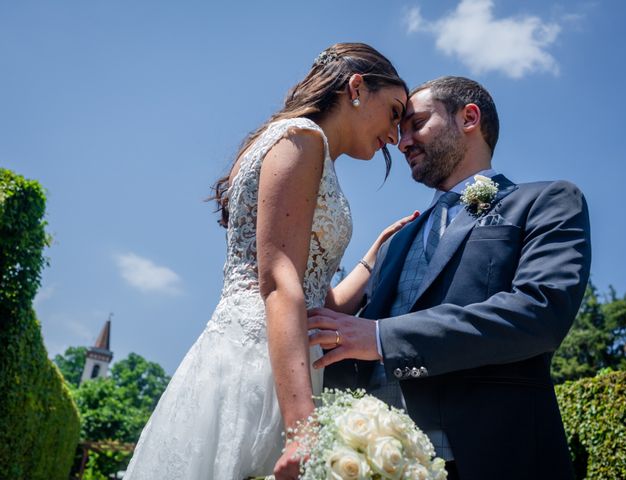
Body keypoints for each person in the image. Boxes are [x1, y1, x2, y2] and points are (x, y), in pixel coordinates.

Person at [123, 43, 412, 479]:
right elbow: (278, 282)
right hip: (261, 368)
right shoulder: (302, 139)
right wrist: (301, 429)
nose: (396, 135)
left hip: (285, 353)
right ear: (356, 88)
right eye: (393, 112)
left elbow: (321, 306)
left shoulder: (298, 145)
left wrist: (376, 254)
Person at [309, 76, 591, 480]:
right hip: (377, 461)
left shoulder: (546, 202)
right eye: (400, 129)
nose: (401, 141)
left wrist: (380, 338)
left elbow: (539, 311)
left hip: (493, 457)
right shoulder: (396, 238)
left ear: (469, 118)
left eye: (416, 124)